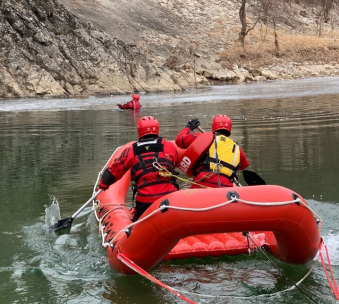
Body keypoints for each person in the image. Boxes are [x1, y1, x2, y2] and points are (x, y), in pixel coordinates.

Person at [99, 116, 179, 221]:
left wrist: (103, 184)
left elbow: (114, 171)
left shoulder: (131, 151)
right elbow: (175, 164)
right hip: (170, 198)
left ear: (139, 131)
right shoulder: (169, 147)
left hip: (145, 202)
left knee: (137, 225)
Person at [175, 114, 249, 188]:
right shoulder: (236, 147)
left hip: (202, 181)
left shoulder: (204, 138)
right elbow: (244, 165)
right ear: (229, 129)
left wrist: (188, 127)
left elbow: (179, 140)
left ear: (213, 126)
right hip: (225, 186)